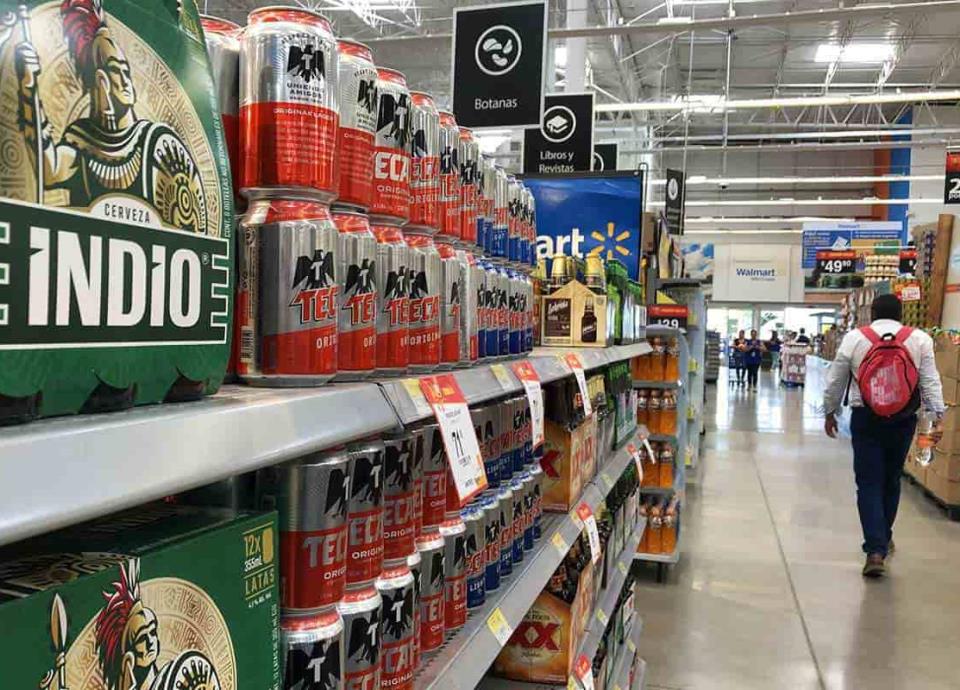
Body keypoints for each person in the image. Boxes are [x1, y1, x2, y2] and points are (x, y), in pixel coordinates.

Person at [823, 294, 944, 578]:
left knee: (868, 482)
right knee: (891, 479)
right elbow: (930, 380)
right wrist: (936, 416)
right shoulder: (920, 339)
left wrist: (830, 412)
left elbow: (835, 379)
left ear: (872, 314)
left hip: (866, 418)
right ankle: (883, 536)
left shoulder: (855, 338)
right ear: (901, 314)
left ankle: (875, 550)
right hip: (903, 419)